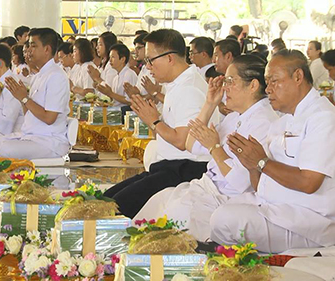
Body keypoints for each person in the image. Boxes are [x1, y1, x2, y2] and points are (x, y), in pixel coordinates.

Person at [134, 55, 278, 242]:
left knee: (170, 222)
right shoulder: (237, 116)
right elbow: (191, 144)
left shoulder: (263, 122)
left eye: (230, 81)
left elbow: (241, 183)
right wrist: (210, 104)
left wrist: (215, 148)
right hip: (205, 187)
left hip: (225, 198)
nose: (225, 88)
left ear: (253, 85)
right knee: (156, 204)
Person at [210, 49, 335, 253]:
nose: (268, 89)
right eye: (266, 82)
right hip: (275, 206)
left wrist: (261, 162)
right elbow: (261, 186)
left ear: (298, 77)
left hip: (309, 220)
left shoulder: (322, 117)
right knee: (217, 213)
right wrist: (250, 165)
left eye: (274, 81)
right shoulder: (283, 121)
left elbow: (309, 182)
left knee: (225, 220)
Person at [103, 29, 217, 218]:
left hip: (184, 169)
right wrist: (152, 120)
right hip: (167, 165)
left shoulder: (189, 89)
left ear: (170, 58)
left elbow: (182, 141)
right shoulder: (177, 84)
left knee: (114, 208)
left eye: (150, 60)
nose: (147, 67)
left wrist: (154, 120)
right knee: (106, 200)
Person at [0, 27, 70, 160]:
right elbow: (29, 114)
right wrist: (21, 99)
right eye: (28, 46)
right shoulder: (39, 75)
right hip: (31, 135)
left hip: (49, 141)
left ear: (47, 49)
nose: (28, 51)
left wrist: (24, 98)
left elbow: (49, 118)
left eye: (33, 46)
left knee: (5, 149)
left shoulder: (56, 76)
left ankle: (8, 179)